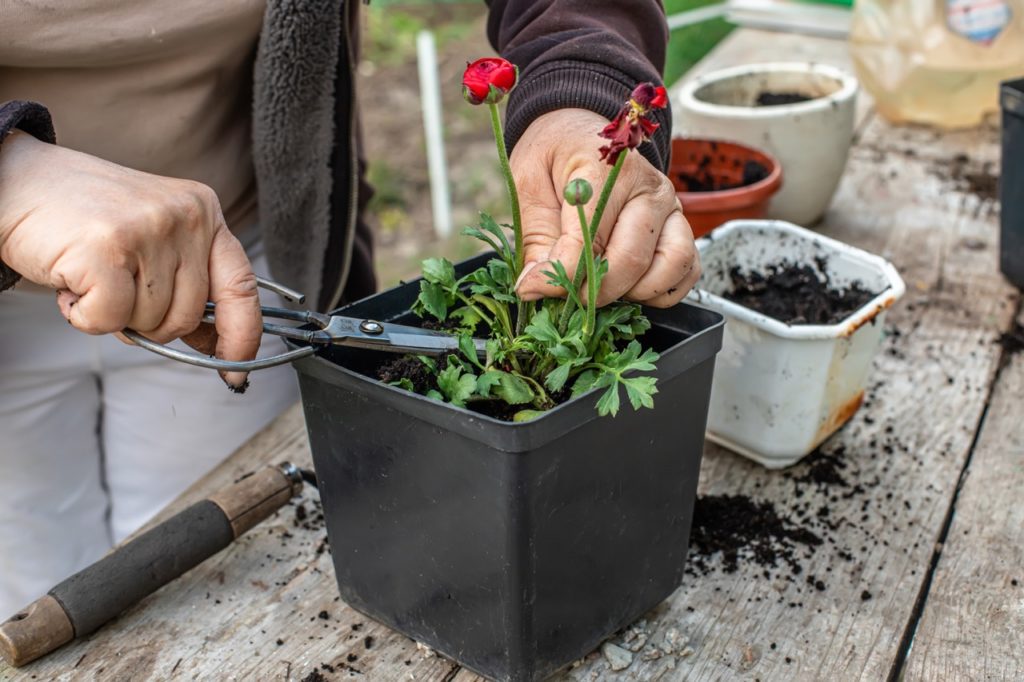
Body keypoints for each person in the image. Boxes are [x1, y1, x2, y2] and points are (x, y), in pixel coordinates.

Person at [0, 0, 700, 617]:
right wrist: (10, 172)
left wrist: (580, 91)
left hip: (238, 264)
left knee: (197, 579)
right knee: (26, 579)